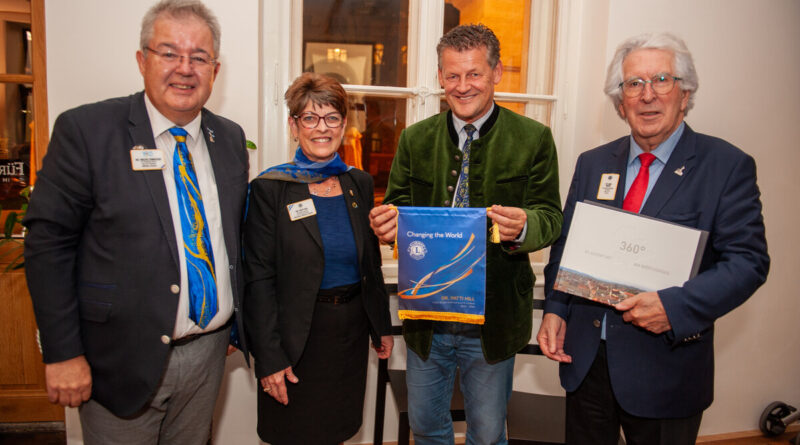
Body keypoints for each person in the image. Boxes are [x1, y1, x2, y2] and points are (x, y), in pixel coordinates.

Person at [22, 1, 249, 443]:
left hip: (207, 353)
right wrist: (63, 353)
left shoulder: (230, 139)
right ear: (142, 60)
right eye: (169, 53)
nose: (185, 69)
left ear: (215, 70)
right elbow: (48, 245)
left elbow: (230, 239)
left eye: (198, 57)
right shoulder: (88, 131)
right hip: (119, 358)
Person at [537, 33, 769, 445]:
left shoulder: (726, 166)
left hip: (666, 368)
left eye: (661, 80)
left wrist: (674, 306)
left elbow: (748, 262)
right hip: (586, 361)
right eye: (633, 84)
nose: (647, 95)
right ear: (619, 100)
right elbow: (568, 242)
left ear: (685, 93)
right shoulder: (593, 164)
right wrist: (555, 308)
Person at [369, 24, 562, 444]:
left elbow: (550, 216)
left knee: (489, 434)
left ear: (496, 74)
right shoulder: (415, 139)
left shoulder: (534, 139)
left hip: (493, 319)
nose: (462, 86)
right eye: (452, 75)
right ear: (440, 77)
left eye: (474, 73)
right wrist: (388, 226)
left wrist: (524, 225)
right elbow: (398, 207)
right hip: (427, 316)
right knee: (425, 426)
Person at [243, 72, 393, 445]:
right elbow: (258, 280)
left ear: (344, 124)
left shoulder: (356, 183)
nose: (321, 128)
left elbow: (368, 264)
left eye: (332, 118)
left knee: (338, 432)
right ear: (294, 126)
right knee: (294, 433)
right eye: (310, 118)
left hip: (349, 336)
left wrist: (380, 324)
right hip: (295, 340)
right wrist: (269, 357)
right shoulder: (270, 189)